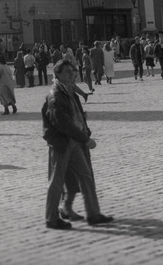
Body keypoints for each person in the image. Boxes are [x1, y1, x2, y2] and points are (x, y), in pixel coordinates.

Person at [42, 60, 113, 230]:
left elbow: (78, 115)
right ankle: (51, 218)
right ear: (57, 74)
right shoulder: (56, 95)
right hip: (62, 143)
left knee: (86, 176)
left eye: (73, 71)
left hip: (74, 141)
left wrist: (85, 131)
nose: (72, 74)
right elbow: (62, 123)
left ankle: (93, 214)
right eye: (68, 72)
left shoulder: (69, 91)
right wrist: (85, 139)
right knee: (57, 181)